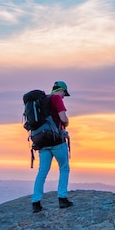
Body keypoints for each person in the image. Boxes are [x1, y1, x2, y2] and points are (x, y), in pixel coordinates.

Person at [31, 81, 73, 213]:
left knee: (42, 172)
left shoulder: (43, 100)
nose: (63, 97)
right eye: (64, 94)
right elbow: (63, 119)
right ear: (61, 90)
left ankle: (36, 203)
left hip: (42, 142)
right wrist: (67, 121)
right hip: (56, 141)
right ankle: (62, 199)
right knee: (64, 168)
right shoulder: (56, 98)